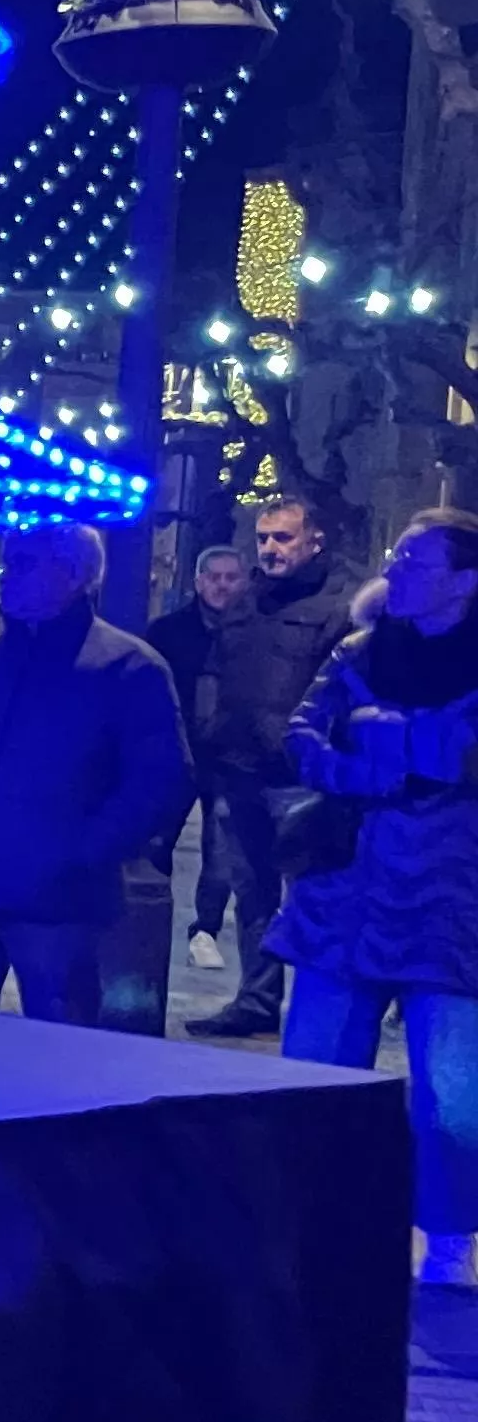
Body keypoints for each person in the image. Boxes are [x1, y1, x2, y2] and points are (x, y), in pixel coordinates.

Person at [270, 510, 478, 1282]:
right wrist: (360, 769)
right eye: (397, 558)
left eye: (419, 563)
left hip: (453, 903)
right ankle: (310, 1216)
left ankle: (451, 1235)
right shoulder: (358, 651)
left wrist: (402, 741)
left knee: (453, 1094)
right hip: (346, 895)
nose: (399, 573)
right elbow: (299, 736)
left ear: (465, 581)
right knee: (315, 1071)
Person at [0, 525, 191, 1027]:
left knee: (57, 1052)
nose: (7, 578)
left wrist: (81, 853)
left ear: (73, 575)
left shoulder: (127, 667)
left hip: (56, 906)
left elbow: (159, 782)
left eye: (23, 564)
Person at [193, 496, 358, 1040]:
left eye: (282, 538)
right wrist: (214, 730)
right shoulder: (247, 602)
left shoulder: (340, 604)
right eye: (263, 538)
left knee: (314, 895)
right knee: (253, 893)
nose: (269, 549)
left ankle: (324, 1011)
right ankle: (257, 999)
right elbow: (218, 670)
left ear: (314, 540)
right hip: (241, 771)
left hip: (302, 781)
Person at [149, 541, 253, 970]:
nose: (222, 586)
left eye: (231, 577)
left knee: (221, 851)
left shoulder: (255, 632)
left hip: (229, 756)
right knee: (156, 841)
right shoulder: (169, 632)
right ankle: (150, 916)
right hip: (176, 753)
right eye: (215, 577)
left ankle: (206, 927)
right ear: (198, 581)